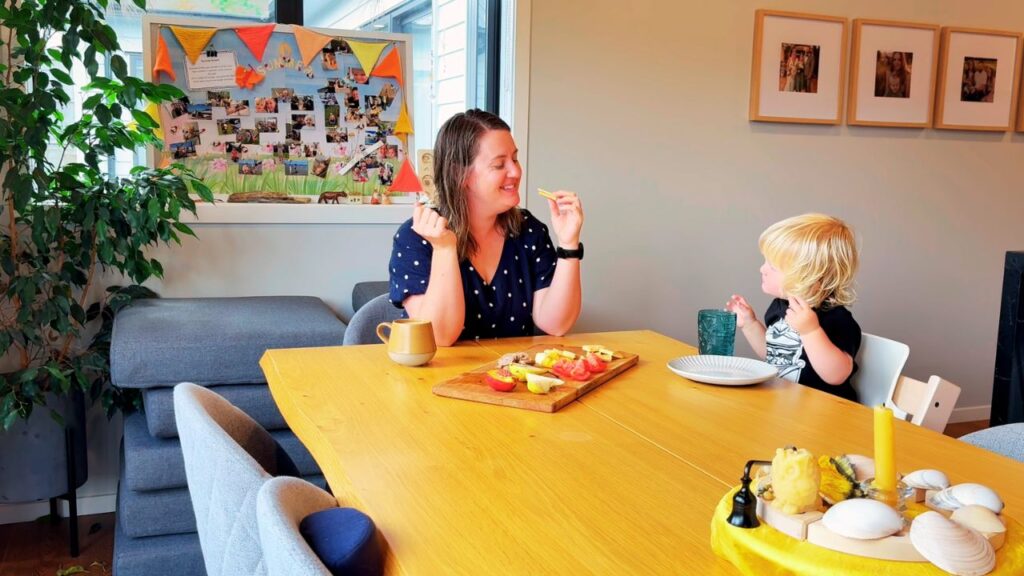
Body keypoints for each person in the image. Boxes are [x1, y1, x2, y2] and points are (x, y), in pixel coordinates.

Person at [388, 109, 584, 346]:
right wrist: (444, 249)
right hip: (436, 379)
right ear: (460, 174)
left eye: (515, 159)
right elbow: (439, 337)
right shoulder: (415, 237)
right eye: (499, 164)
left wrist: (568, 244)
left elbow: (556, 324)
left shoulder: (528, 231)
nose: (516, 171)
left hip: (511, 378)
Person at [725, 214, 862, 401]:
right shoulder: (779, 308)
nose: (762, 269)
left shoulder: (836, 319)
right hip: (786, 405)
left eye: (772, 266)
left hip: (827, 414)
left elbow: (837, 375)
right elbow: (773, 355)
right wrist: (749, 324)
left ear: (808, 275)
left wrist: (811, 331)